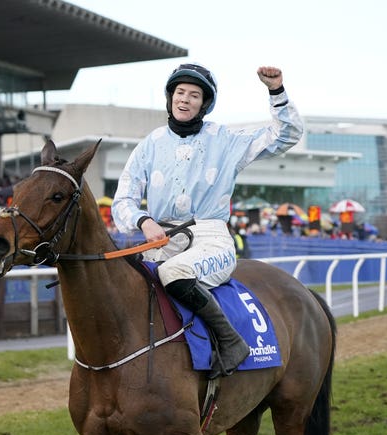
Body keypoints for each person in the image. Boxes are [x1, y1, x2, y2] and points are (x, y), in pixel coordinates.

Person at [111, 63, 303, 378]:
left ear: (204, 104)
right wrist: (144, 221)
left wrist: (276, 91)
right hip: (160, 240)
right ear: (171, 97)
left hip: (210, 240)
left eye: (194, 95)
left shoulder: (225, 140)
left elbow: (286, 135)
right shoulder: (150, 144)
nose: (184, 100)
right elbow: (124, 200)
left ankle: (231, 342)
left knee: (174, 272)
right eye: (180, 92)